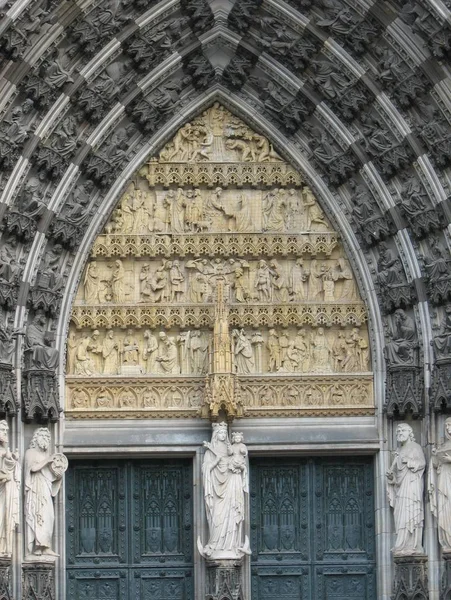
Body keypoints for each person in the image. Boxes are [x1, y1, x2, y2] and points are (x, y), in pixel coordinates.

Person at [199, 423, 250, 559]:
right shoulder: (210, 452)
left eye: (224, 433)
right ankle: (215, 545)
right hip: (216, 491)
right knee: (217, 517)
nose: (222, 435)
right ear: (215, 435)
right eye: (220, 433)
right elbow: (206, 469)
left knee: (232, 514)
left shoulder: (231, 450)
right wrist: (216, 460)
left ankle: (232, 546)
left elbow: (239, 463)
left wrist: (239, 468)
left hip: (231, 486)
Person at [24, 428, 68, 558]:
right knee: (38, 516)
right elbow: (32, 468)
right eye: (43, 437)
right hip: (35, 490)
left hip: (46, 489)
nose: (46, 440)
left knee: (49, 516)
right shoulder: (30, 453)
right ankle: (37, 547)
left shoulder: (47, 456)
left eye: (48, 438)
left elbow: (52, 477)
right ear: (36, 439)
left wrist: (59, 476)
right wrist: (47, 461)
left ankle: (46, 546)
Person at [386, 423, 425, 555]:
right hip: (401, 488)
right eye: (398, 432)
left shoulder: (416, 447)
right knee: (400, 514)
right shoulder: (398, 451)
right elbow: (396, 476)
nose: (400, 433)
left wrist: (407, 461)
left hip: (412, 486)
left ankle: (412, 545)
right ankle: (401, 543)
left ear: (410, 432)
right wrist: (392, 477)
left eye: (403, 430)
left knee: (410, 513)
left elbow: (422, 463)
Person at [430, 418, 451, 551]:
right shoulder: (443, 446)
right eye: (447, 426)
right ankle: (447, 540)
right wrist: (434, 456)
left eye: (450, 425)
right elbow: (435, 465)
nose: (448, 428)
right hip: (443, 478)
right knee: (445, 508)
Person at [0, 421, 20, 557]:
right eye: (2, 430)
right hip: (3, 490)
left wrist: (13, 458)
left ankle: (4, 547)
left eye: (6, 431)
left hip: (7, 490)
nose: (5, 433)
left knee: (5, 516)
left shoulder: (6, 452)